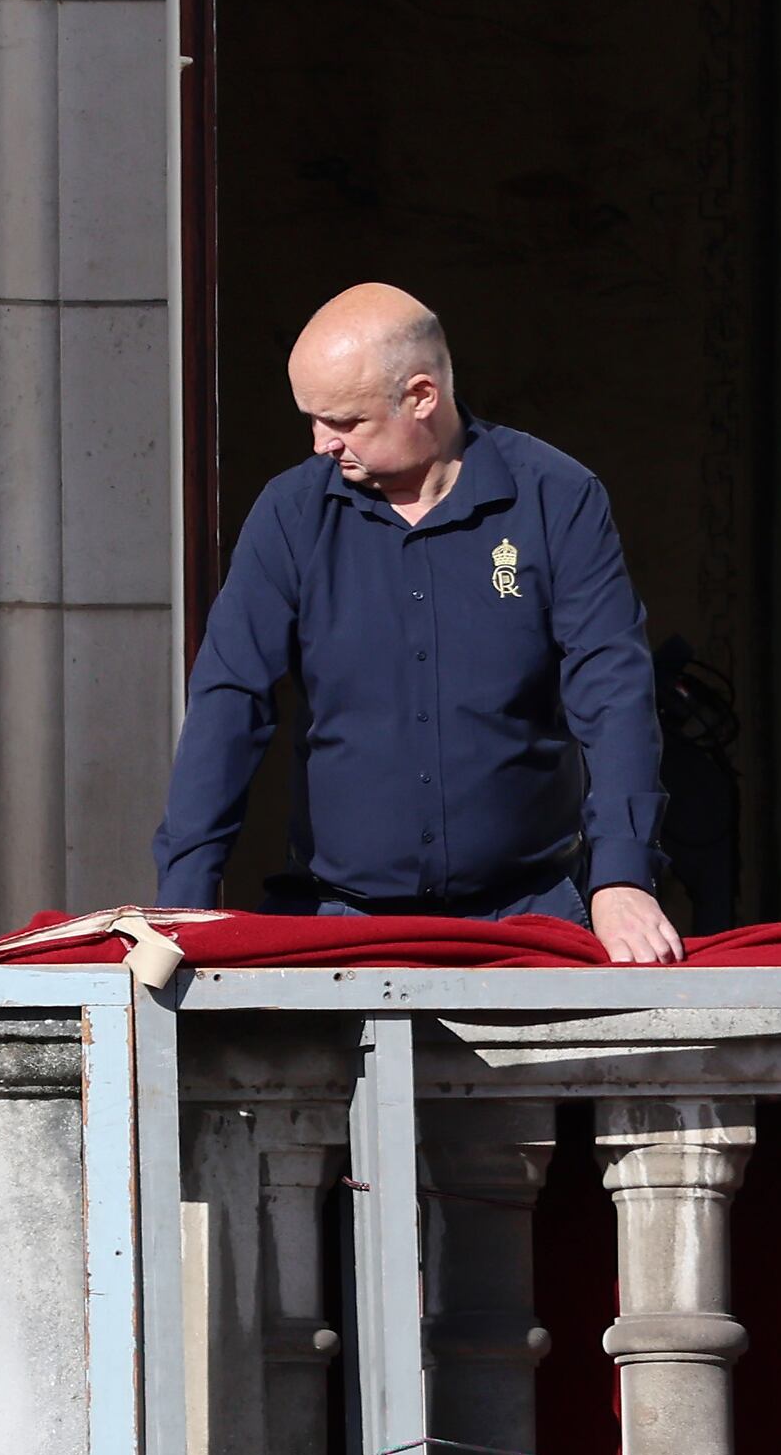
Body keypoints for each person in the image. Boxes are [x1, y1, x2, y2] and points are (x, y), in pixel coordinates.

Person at [152, 282, 677, 961]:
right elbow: (229, 702)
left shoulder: (557, 498)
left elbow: (614, 695)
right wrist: (184, 897)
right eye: (311, 418)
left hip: (529, 912)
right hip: (339, 916)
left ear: (422, 396)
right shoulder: (290, 514)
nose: (320, 443)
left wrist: (623, 876)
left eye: (343, 421)